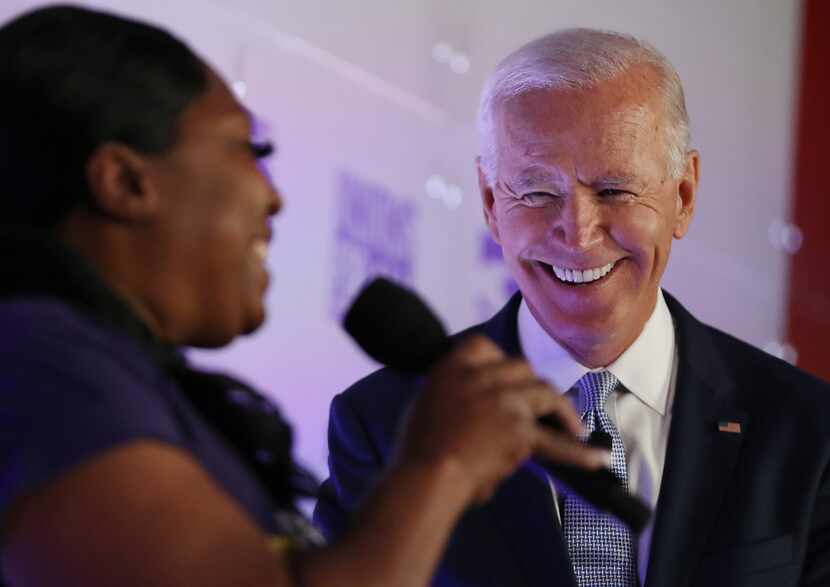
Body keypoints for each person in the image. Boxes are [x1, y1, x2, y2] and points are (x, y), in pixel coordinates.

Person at [0, 6, 610, 587]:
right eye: (251, 149)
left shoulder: (104, 373)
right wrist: (439, 467)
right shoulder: (40, 362)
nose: (273, 197)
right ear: (126, 182)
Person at [314, 28, 830, 587]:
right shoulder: (384, 425)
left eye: (614, 190)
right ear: (491, 204)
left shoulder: (807, 429)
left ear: (682, 196)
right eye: (536, 193)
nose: (578, 234)